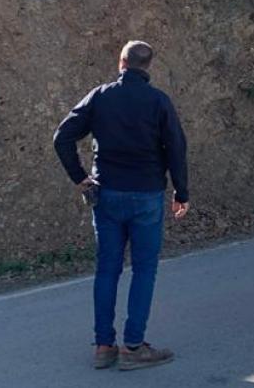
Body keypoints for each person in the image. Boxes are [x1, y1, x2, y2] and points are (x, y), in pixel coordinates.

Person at [53, 41, 190, 371]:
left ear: (121, 63)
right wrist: (181, 193)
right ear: (148, 66)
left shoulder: (101, 96)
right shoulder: (158, 101)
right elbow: (176, 149)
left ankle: (104, 346)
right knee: (144, 269)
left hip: (107, 195)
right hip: (146, 195)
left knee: (107, 269)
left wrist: (80, 178)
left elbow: (62, 137)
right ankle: (133, 346)